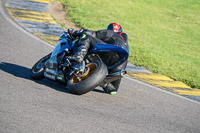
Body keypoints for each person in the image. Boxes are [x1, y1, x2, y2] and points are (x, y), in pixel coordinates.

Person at [67, 23, 129, 95]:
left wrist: (73, 32)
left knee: (87, 37)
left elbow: (90, 33)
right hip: (119, 64)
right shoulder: (125, 43)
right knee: (113, 90)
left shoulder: (110, 32)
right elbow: (114, 91)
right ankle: (105, 83)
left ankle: (79, 56)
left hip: (108, 52)